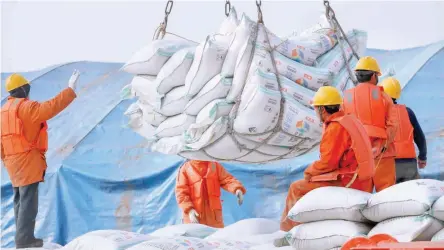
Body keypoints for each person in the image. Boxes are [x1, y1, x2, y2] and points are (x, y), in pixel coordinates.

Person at [1, 70, 79, 248]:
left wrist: (6, 160)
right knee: (28, 201)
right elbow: (50, 107)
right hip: (27, 161)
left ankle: (22, 237)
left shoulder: (3, 111)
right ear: (23, 89)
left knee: (20, 200)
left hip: (12, 163)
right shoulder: (26, 108)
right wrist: (70, 90)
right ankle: (24, 240)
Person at [279, 86, 375, 232]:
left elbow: (328, 163)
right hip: (362, 179)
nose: (316, 112)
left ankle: (288, 232)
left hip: (349, 180)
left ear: (322, 109)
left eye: (316, 108)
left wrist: (309, 171)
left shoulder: (336, 128)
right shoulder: (351, 120)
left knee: (296, 188)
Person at [342, 56, 398, 192]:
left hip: (358, 158)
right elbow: (393, 125)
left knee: (359, 198)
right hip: (383, 156)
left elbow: (342, 129)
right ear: (373, 76)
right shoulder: (384, 97)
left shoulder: (346, 98)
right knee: (387, 197)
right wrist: (382, 146)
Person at [379, 77, 427, 183]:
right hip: (409, 163)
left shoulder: (378, 113)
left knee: (392, 197)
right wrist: (422, 157)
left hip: (389, 164)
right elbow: (420, 137)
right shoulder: (408, 112)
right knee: (411, 195)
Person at [175, 160, 246, 228]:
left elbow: (227, 180)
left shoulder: (215, 166)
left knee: (215, 239)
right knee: (195, 239)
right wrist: (189, 210)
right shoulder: (185, 169)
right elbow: (181, 192)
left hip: (214, 220)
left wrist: (237, 189)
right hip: (195, 218)